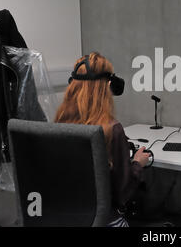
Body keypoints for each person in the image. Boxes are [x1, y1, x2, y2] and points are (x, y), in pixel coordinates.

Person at [55, 52, 150, 227]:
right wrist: (137, 164)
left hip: (67, 216)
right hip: (105, 220)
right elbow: (123, 193)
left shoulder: (59, 123)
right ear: (107, 86)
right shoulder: (112, 129)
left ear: (73, 86)